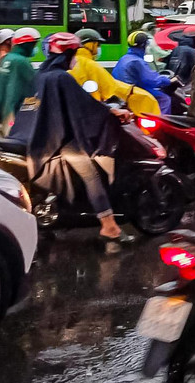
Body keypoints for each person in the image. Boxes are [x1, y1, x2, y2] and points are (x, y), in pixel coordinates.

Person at [25, 33, 128, 241]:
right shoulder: (62, 77)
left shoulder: (41, 75)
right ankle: (109, 226)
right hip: (57, 140)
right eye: (74, 53)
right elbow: (85, 106)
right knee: (92, 175)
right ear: (68, 54)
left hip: (34, 135)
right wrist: (112, 112)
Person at [71, 28, 161, 115]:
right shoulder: (90, 65)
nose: (99, 48)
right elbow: (111, 88)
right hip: (96, 111)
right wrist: (140, 95)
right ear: (90, 45)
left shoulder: (71, 62)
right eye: (98, 45)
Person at [0, 27, 41, 132]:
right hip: (13, 118)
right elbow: (20, 92)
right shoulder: (21, 62)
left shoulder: (6, 58)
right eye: (33, 44)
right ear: (27, 45)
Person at [114, 30, 174, 114]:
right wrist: (168, 80)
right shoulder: (137, 61)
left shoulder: (124, 58)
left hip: (123, 92)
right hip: (134, 92)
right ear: (143, 45)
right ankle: (162, 123)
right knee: (164, 99)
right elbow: (152, 80)